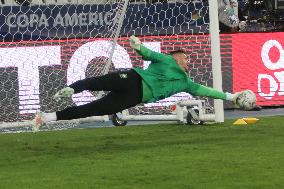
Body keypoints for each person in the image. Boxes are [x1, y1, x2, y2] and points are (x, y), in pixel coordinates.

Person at [33, 35, 249, 130]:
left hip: (134, 97)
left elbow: (209, 91)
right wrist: (137, 46)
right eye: (185, 56)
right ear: (176, 57)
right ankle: (72, 88)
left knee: (92, 109)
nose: (188, 60)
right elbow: (148, 53)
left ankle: (46, 117)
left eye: (188, 58)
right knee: (97, 81)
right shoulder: (166, 60)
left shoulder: (187, 83)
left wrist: (232, 97)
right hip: (132, 79)